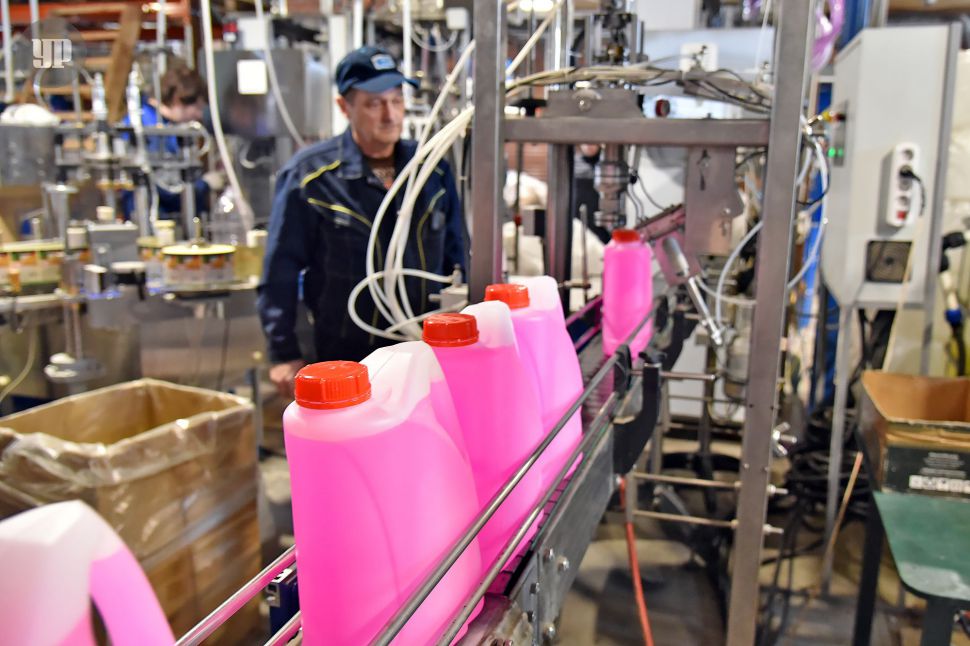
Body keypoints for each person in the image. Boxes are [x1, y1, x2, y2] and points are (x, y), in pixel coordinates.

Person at [257, 46, 466, 397]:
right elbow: (280, 270)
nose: (390, 115)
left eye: (396, 100)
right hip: (346, 359)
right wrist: (283, 352)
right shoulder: (311, 178)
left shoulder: (432, 169)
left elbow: (459, 254)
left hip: (423, 351)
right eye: (374, 104)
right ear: (345, 107)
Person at [121, 64, 221, 221]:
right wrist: (205, 185)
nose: (199, 116)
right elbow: (167, 188)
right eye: (198, 108)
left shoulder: (164, 125)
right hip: (153, 218)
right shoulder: (148, 126)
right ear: (178, 99)